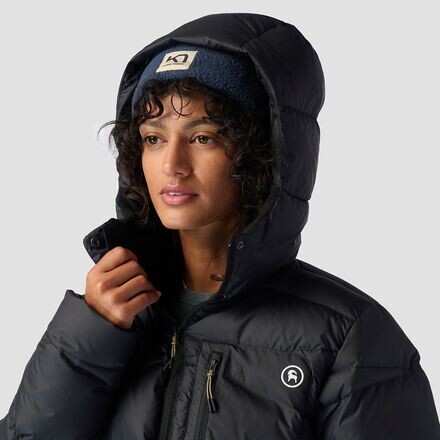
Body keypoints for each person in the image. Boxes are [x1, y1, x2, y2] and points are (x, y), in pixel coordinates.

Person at [1, 12, 439, 440]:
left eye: (203, 137)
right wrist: (90, 336)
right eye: (154, 138)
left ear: (263, 155)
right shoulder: (113, 311)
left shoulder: (350, 339)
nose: (172, 165)